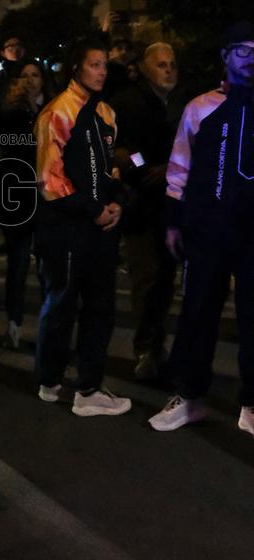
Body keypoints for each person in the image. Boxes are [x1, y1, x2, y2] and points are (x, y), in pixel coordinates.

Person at [149, 22, 254, 436]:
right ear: (225, 56)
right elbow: (179, 169)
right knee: (197, 313)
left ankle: (251, 403)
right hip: (208, 230)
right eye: (243, 50)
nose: (251, 59)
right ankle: (189, 396)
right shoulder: (200, 107)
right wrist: (174, 222)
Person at [34, 37, 131, 416]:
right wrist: (94, 209)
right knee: (61, 303)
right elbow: (49, 180)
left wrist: (117, 202)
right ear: (76, 67)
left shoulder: (106, 112)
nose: (102, 71)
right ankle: (50, 380)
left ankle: (89, 388)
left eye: (105, 64)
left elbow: (111, 168)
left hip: (99, 227)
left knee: (100, 308)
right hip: (66, 228)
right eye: (94, 64)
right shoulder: (57, 112)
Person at [111, 43, 181, 380]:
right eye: (161, 64)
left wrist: (170, 167)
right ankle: (146, 349)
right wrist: (145, 164)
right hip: (140, 204)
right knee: (147, 278)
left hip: (170, 204)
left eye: (172, 64)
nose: (168, 70)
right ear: (143, 67)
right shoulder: (127, 102)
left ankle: (155, 346)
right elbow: (122, 150)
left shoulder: (178, 104)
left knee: (165, 280)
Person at [0, 60, 52, 350]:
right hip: (17, 194)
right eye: (24, 76)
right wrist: (19, 110)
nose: (30, 80)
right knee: (18, 261)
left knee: (47, 264)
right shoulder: (10, 112)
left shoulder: (53, 109)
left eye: (35, 75)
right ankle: (13, 323)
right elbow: (5, 145)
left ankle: (49, 326)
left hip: (47, 194)